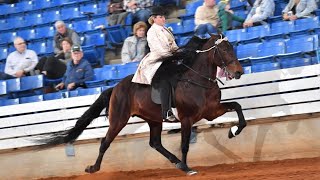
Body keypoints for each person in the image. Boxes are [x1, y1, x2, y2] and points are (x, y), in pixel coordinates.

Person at [132, 7, 178, 122]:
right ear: (154, 19)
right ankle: (166, 112)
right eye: (161, 17)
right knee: (165, 79)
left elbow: (173, 45)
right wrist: (173, 54)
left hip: (168, 56)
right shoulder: (152, 32)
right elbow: (159, 50)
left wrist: (178, 51)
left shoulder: (165, 29)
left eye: (164, 17)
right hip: (157, 59)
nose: (164, 19)